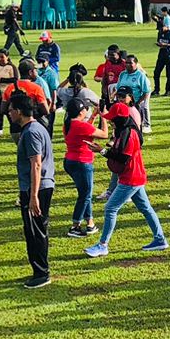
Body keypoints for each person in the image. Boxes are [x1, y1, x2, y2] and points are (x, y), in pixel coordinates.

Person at [87, 103, 168, 257]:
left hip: (131, 178)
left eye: (112, 119)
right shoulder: (122, 131)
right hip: (132, 176)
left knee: (110, 208)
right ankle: (160, 239)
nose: (111, 121)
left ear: (120, 119)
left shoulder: (130, 134)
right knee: (146, 209)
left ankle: (103, 245)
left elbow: (123, 157)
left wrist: (102, 151)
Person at [6, 92, 56, 288]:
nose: (9, 114)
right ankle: (38, 270)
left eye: (10, 111)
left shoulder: (31, 132)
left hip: (37, 188)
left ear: (18, 112)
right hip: (39, 186)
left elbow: (36, 164)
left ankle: (42, 273)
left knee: (35, 231)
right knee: (35, 230)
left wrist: (33, 196)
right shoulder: (37, 128)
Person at [61, 94, 106, 238]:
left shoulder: (68, 124)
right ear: (81, 112)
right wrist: (103, 116)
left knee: (84, 194)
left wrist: (93, 116)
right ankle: (75, 226)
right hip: (82, 163)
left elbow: (85, 130)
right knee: (85, 196)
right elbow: (104, 134)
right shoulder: (80, 125)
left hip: (70, 161)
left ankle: (90, 223)